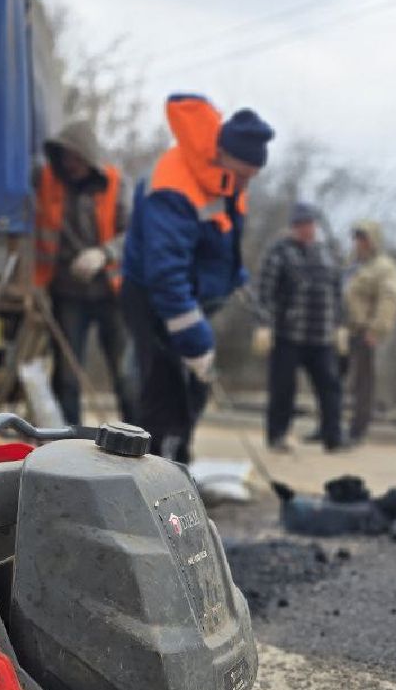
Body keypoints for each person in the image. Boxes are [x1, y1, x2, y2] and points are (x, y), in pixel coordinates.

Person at [120, 95, 274, 464]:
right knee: (162, 387)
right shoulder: (174, 184)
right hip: (155, 297)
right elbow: (166, 271)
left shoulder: (229, 180)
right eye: (242, 174)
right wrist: (194, 339)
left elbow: (223, 238)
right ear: (223, 152)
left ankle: (178, 461)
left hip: (193, 298)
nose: (244, 184)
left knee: (195, 387)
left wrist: (235, 278)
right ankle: (149, 470)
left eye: (251, 177)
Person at [32, 118, 134, 424]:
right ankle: (70, 445)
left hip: (111, 294)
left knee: (125, 374)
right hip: (67, 293)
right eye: (65, 157)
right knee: (67, 376)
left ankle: (139, 440)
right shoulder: (47, 180)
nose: (70, 163)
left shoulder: (117, 183)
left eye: (76, 157)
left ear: (89, 156)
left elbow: (134, 235)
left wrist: (104, 254)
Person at [252, 203, 346, 452]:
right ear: (294, 227)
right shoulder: (279, 252)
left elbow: (337, 291)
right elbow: (265, 291)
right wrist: (263, 323)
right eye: (302, 224)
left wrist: (340, 324)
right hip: (288, 334)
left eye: (311, 224)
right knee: (283, 387)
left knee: (330, 386)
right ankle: (278, 436)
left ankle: (333, 436)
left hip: (322, 335)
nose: (308, 229)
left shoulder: (326, 253)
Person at [344, 220, 396, 445]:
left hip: (365, 330)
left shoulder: (384, 268)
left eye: (364, 238)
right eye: (357, 238)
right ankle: (328, 426)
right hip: (342, 330)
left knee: (362, 383)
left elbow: (389, 300)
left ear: (373, 240)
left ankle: (357, 430)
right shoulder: (352, 265)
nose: (359, 243)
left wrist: (377, 329)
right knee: (332, 380)